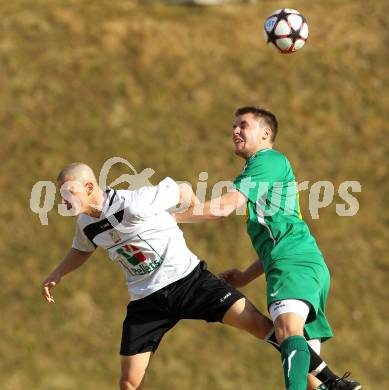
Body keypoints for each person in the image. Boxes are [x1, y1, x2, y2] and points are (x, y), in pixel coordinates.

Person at [174, 107, 362, 390]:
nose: (235, 131)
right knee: (308, 375)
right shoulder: (263, 172)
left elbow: (224, 208)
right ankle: (334, 385)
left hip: (293, 263)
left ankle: (334, 383)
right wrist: (245, 277)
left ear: (265, 134)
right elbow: (276, 239)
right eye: (234, 125)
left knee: (287, 333)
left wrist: (167, 217)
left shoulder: (268, 160)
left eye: (243, 125)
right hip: (297, 263)